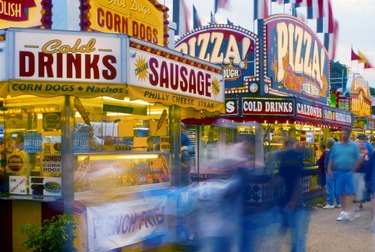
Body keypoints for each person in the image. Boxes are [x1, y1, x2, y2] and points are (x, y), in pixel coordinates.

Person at [274, 136, 310, 252]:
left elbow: (296, 181)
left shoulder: (288, 161)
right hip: (292, 204)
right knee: (296, 239)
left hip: (291, 204)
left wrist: (293, 200)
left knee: (294, 238)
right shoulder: (293, 160)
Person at [327, 128, 361, 221]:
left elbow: (358, 159)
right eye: (342, 133)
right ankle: (343, 212)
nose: (343, 134)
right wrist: (329, 168)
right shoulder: (336, 146)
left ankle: (350, 209)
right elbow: (332, 158)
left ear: (349, 134)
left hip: (349, 172)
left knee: (350, 192)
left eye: (345, 133)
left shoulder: (353, 146)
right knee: (341, 192)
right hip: (339, 172)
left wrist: (353, 169)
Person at [323, 138, 341, 209]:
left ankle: (331, 203)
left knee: (330, 187)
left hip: (330, 171)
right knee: (337, 187)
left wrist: (326, 169)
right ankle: (339, 202)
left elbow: (326, 162)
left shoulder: (329, 152)